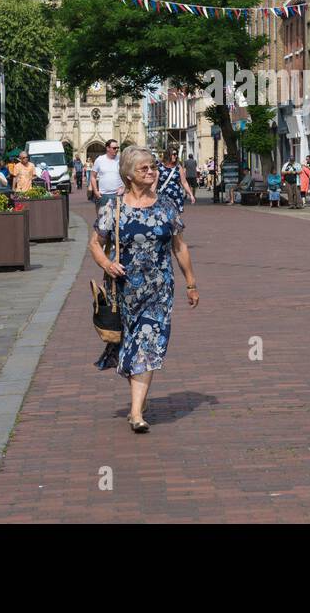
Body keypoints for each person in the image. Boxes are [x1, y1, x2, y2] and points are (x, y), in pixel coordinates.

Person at [89, 146, 199, 434]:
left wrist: (191, 283)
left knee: (148, 342)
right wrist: (107, 263)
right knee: (129, 345)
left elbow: (180, 246)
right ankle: (139, 400)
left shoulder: (166, 206)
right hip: (124, 288)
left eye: (153, 167)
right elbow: (95, 244)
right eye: (144, 169)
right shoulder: (113, 207)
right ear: (128, 175)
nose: (152, 172)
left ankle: (136, 412)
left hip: (159, 288)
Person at [91, 140, 122, 209]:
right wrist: (96, 191)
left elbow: (127, 175)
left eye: (117, 148)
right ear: (107, 148)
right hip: (103, 195)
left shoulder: (121, 159)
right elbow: (93, 176)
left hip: (118, 194)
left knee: (118, 218)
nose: (116, 150)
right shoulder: (99, 160)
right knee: (103, 217)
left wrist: (123, 188)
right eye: (114, 148)